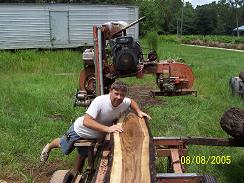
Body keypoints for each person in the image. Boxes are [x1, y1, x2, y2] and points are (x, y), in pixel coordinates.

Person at [40, 80, 151, 173]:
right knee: (62, 146)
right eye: (116, 93)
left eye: (122, 95)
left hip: (94, 135)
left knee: (83, 154)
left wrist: (139, 111)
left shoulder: (124, 101)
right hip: (80, 130)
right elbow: (86, 121)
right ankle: (49, 146)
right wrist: (108, 129)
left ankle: (77, 173)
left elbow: (131, 102)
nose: (119, 97)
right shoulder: (100, 101)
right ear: (110, 92)